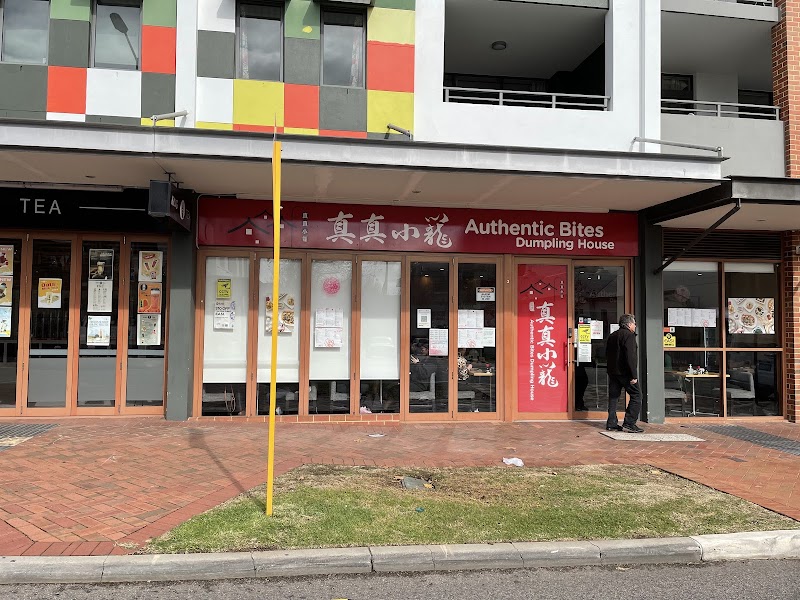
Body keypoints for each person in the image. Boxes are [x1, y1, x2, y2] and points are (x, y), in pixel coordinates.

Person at [605, 314, 644, 433]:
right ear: (629, 324)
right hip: (625, 373)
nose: (635, 326)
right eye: (634, 323)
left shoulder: (612, 335)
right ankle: (629, 422)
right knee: (637, 396)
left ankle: (611, 423)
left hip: (613, 372)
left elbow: (607, 354)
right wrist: (634, 375)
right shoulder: (629, 336)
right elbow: (630, 356)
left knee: (614, 397)